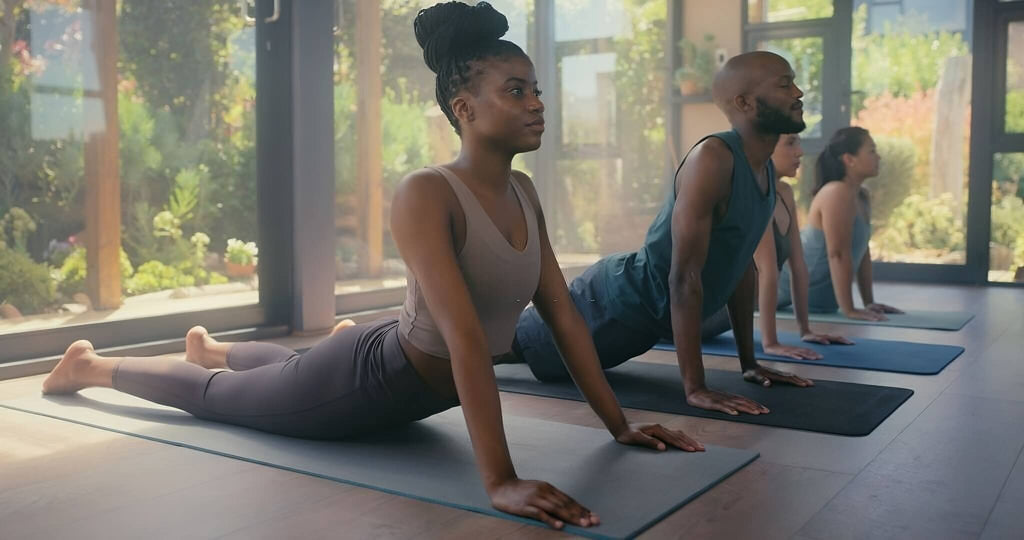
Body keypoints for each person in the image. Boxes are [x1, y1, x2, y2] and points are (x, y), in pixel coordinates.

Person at [40, 1, 701, 531]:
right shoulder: (427, 193)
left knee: (294, 367)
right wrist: (500, 481)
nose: (537, 102)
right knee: (218, 400)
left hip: (392, 360)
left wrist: (620, 426)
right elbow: (467, 337)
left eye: (535, 89)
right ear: (465, 110)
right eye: (517, 90)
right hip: (370, 379)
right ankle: (93, 366)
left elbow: (563, 315)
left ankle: (214, 347)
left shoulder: (525, 193)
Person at [512, 51, 813, 418]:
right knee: (499, 348)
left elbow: (741, 267)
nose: (798, 92)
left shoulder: (763, 170)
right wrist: (696, 388)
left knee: (502, 347)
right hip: (608, 305)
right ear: (745, 102)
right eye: (785, 84)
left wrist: (748, 363)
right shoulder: (713, 159)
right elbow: (684, 277)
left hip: (636, 324)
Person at [702, 134, 851, 359]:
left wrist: (805, 329)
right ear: (766, 148)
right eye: (791, 143)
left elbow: (798, 265)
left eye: (799, 143)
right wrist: (770, 343)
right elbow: (765, 270)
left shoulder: (785, 192)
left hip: (729, 319)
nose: (800, 151)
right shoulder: (752, 192)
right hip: (701, 316)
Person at [776, 126, 902, 321]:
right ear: (849, 159)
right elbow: (838, 254)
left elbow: (862, 252)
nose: (878, 157)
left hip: (820, 297)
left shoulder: (862, 195)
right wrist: (850, 310)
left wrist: (869, 302)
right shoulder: (835, 192)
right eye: (871, 151)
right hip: (786, 289)